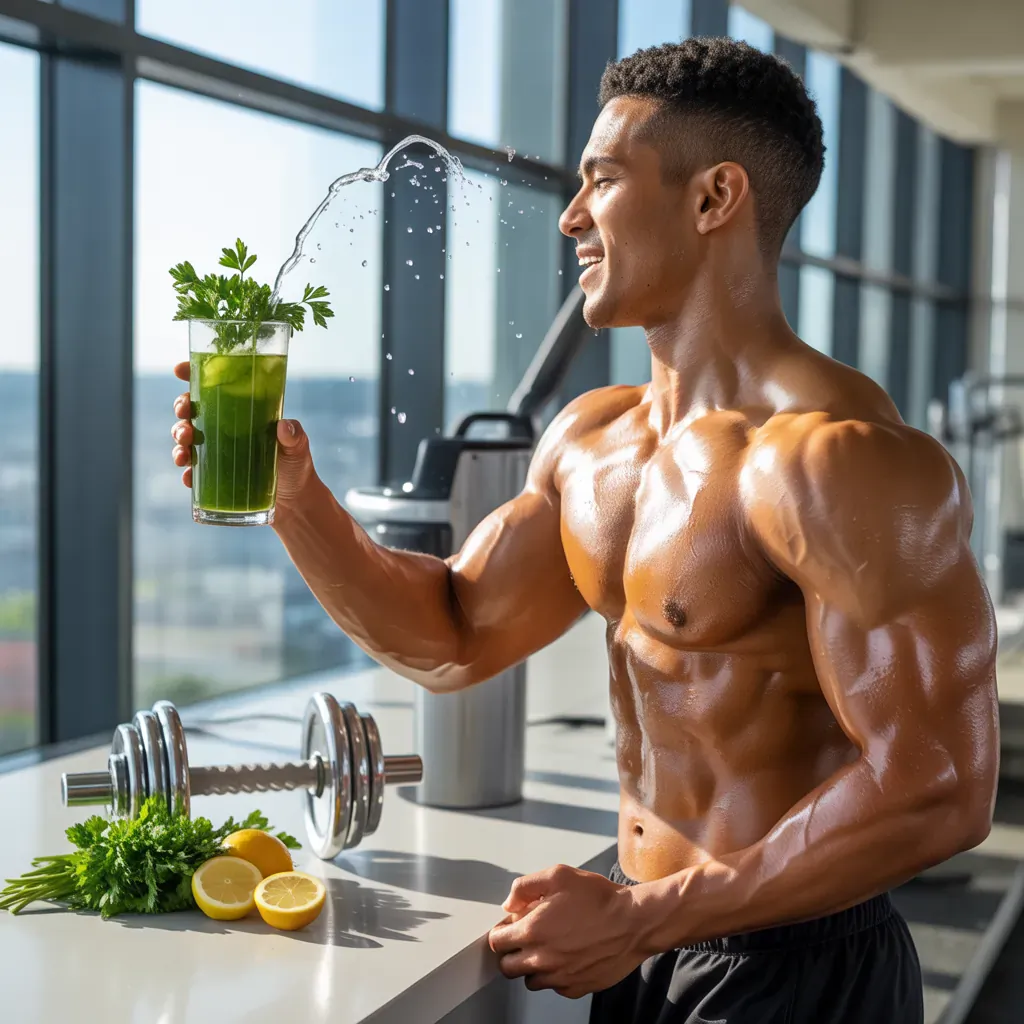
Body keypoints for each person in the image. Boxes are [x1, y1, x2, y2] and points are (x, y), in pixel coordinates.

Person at [170, 37, 999, 1024]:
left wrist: (646, 917)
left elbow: (937, 786)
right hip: (642, 948)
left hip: (793, 965)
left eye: (600, 182)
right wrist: (297, 502)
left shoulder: (829, 460)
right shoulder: (593, 438)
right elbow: (455, 633)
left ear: (712, 198)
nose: (571, 218)